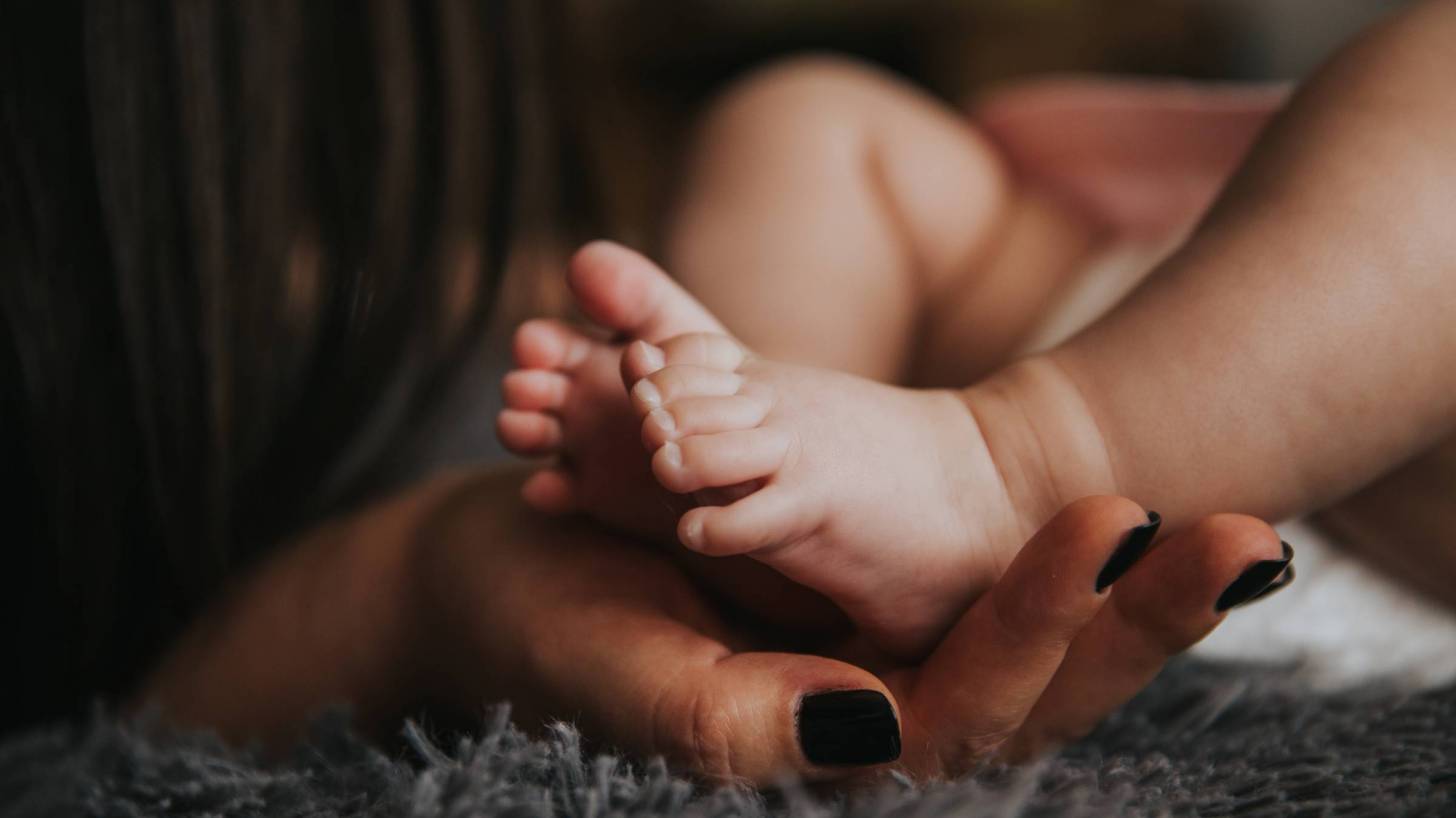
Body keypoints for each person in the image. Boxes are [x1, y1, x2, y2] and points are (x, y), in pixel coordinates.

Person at [0, 0, 1361, 790]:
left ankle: (933, 467)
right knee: (802, 118)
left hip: (1267, 390)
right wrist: (413, 576)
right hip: (1080, 309)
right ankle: (799, 484)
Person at [498, 0, 1456, 662]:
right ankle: (776, 481)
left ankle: (1004, 471)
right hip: (1113, 310)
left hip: (1391, 503)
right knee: (809, 115)